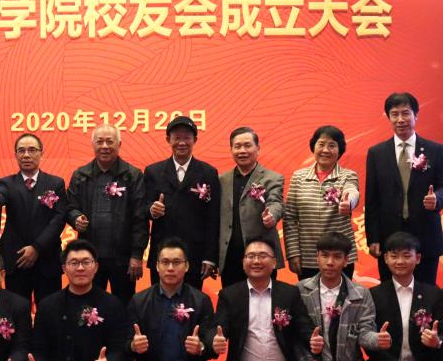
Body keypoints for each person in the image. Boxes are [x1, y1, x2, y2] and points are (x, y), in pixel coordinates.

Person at [208, 237, 316, 361]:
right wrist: (213, 341)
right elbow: (218, 329)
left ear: (274, 262)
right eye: (251, 256)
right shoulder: (230, 295)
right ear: (243, 263)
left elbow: (304, 329)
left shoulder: (289, 293)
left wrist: (313, 341)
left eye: (262, 256)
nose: (256, 261)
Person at [364, 92, 443, 284]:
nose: (400, 119)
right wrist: (373, 238)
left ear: (416, 115)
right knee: (390, 292)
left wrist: (437, 199)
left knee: (425, 291)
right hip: (389, 238)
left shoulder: (435, 150)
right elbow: (372, 200)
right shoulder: (376, 153)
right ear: (388, 117)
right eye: (394, 114)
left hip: (425, 237)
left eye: (405, 113)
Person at [298, 232, 389, 361]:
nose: (330, 262)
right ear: (317, 257)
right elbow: (293, 333)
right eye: (324, 255)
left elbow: (365, 332)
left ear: (346, 260)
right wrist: (306, 359)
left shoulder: (361, 293)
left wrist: (377, 339)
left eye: (337, 257)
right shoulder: (301, 290)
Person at [65, 124, 147, 305]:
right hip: (88, 258)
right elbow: (69, 206)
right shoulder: (80, 175)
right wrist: (75, 217)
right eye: (100, 141)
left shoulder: (132, 175)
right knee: (89, 307)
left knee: (124, 306)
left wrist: (136, 255)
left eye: (110, 141)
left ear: (119, 144)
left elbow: (140, 217)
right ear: (93, 144)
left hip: (123, 258)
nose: (104, 146)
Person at [367, 232, 443, 361]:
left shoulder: (433, 293)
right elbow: (368, 338)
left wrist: (437, 342)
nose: (400, 261)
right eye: (394, 256)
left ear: (417, 258)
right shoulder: (374, 294)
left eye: (406, 256)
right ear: (386, 258)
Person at [143, 116, 220, 290]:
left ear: (195, 140)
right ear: (168, 140)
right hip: (162, 253)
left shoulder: (208, 173)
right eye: (177, 138)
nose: (182, 143)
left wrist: (210, 256)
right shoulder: (153, 171)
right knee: (159, 300)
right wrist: (151, 210)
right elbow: (142, 208)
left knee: (192, 302)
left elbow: (213, 217)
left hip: (195, 254)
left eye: (187, 138)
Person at [0, 132, 67, 304]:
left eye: (32, 150)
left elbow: (59, 218)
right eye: (21, 150)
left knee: (50, 311)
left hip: (47, 259)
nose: (26, 155)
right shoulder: (6, 183)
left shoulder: (56, 183)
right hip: (16, 259)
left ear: (41, 153)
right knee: (17, 311)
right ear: (15, 155)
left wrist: (37, 247)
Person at [283, 125, 360, 280]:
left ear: (340, 150)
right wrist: (293, 253)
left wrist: (349, 203)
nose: (325, 150)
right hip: (307, 257)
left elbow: (352, 191)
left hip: (339, 256)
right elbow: (290, 218)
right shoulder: (299, 177)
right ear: (313, 147)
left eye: (332, 145)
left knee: (340, 295)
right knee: (307, 295)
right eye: (321, 144)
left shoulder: (348, 175)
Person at [217, 127, 284, 286]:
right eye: (237, 146)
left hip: (261, 257)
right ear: (231, 150)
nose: (242, 151)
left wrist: (272, 215)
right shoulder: (221, 180)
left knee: (264, 298)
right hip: (230, 257)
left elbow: (276, 202)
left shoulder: (272, 178)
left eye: (247, 145)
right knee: (231, 299)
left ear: (258, 148)